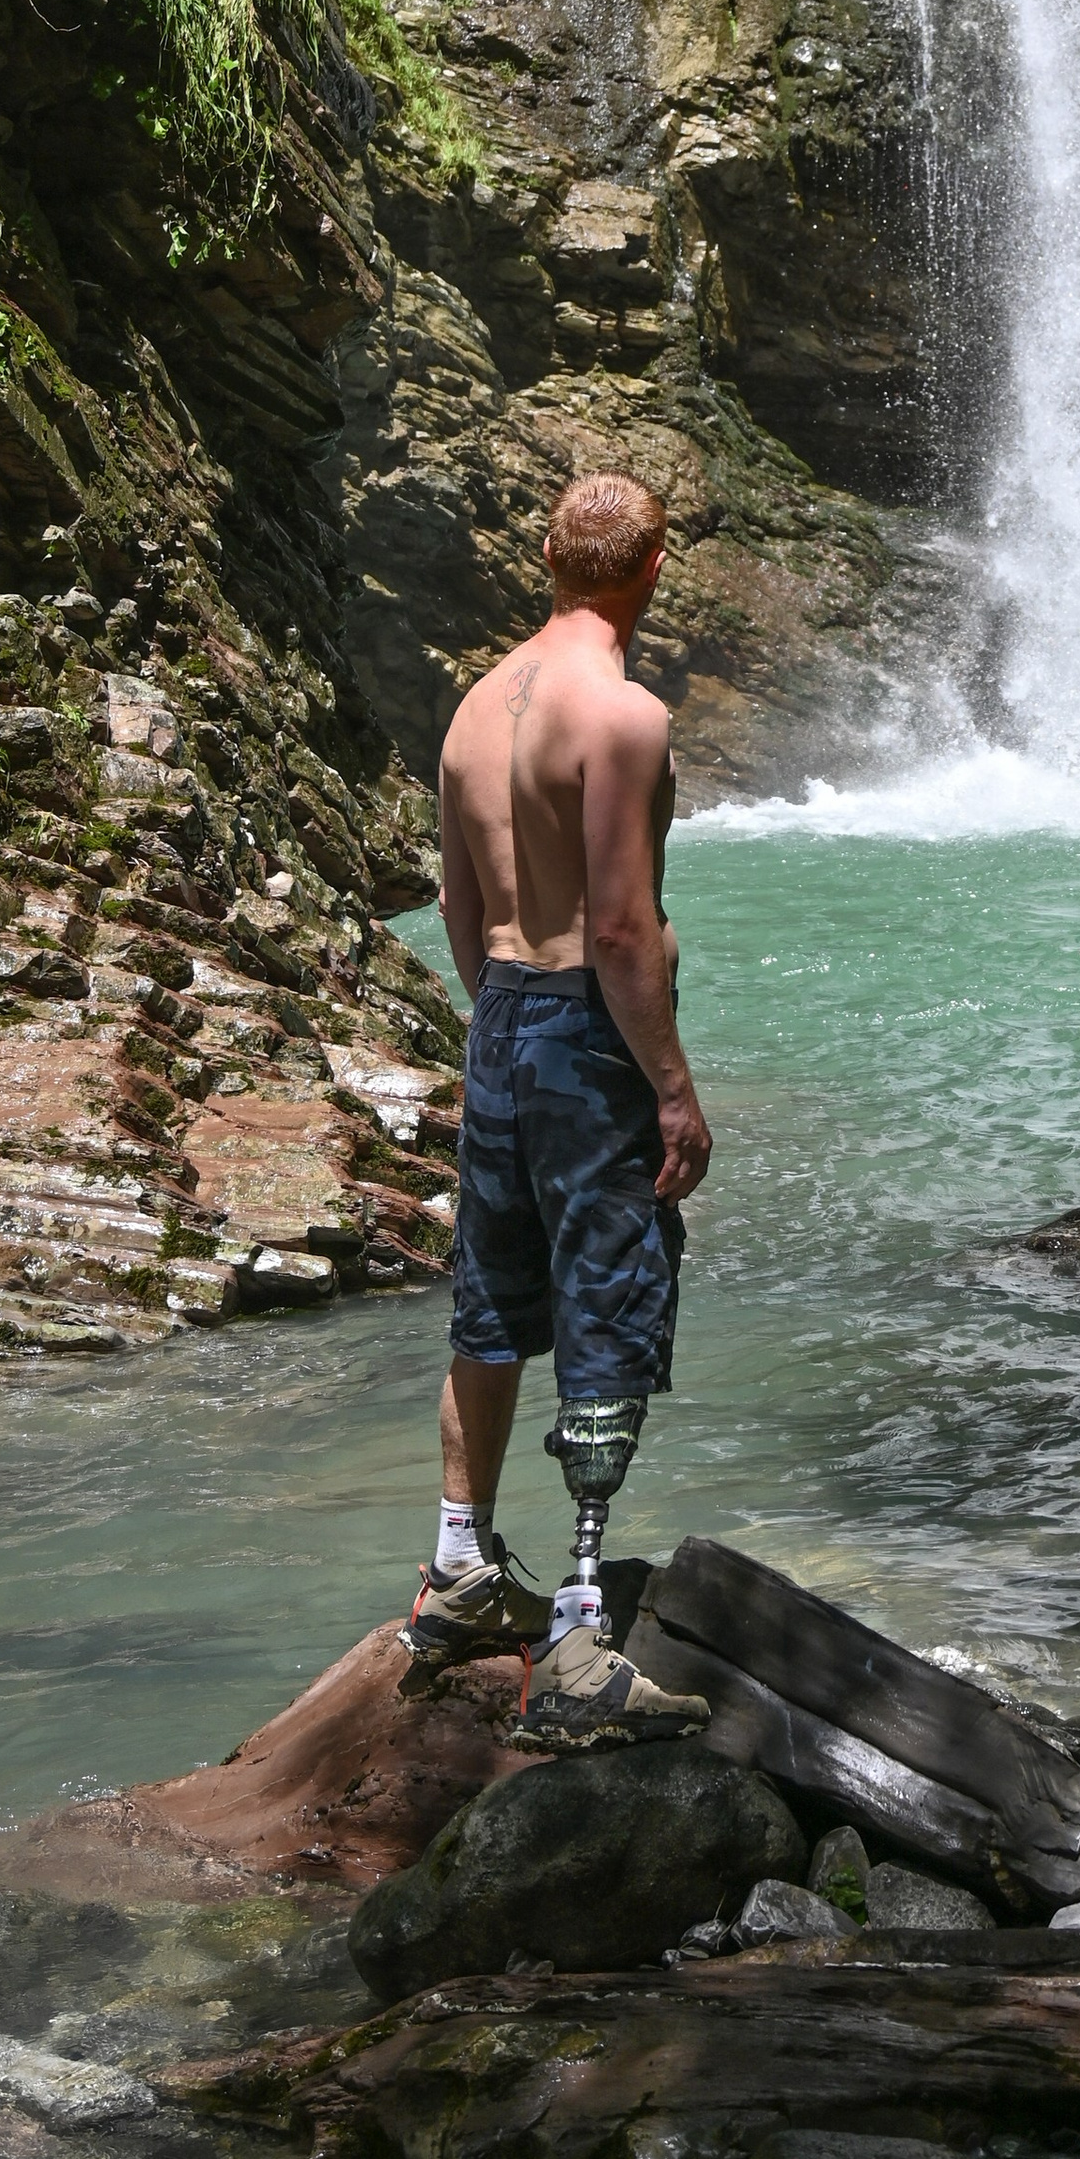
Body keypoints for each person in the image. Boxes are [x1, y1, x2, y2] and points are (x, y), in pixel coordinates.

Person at [402, 470, 715, 1746]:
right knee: (606, 1296)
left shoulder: (475, 707)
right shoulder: (623, 714)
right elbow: (623, 927)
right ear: (652, 568)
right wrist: (672, 1087)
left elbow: (459, 907)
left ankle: (457, 1569)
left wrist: (503, 1022)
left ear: (544, 555)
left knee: (489, 1300)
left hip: (500, 1016)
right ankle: (581, 1630)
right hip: (589, 1028)